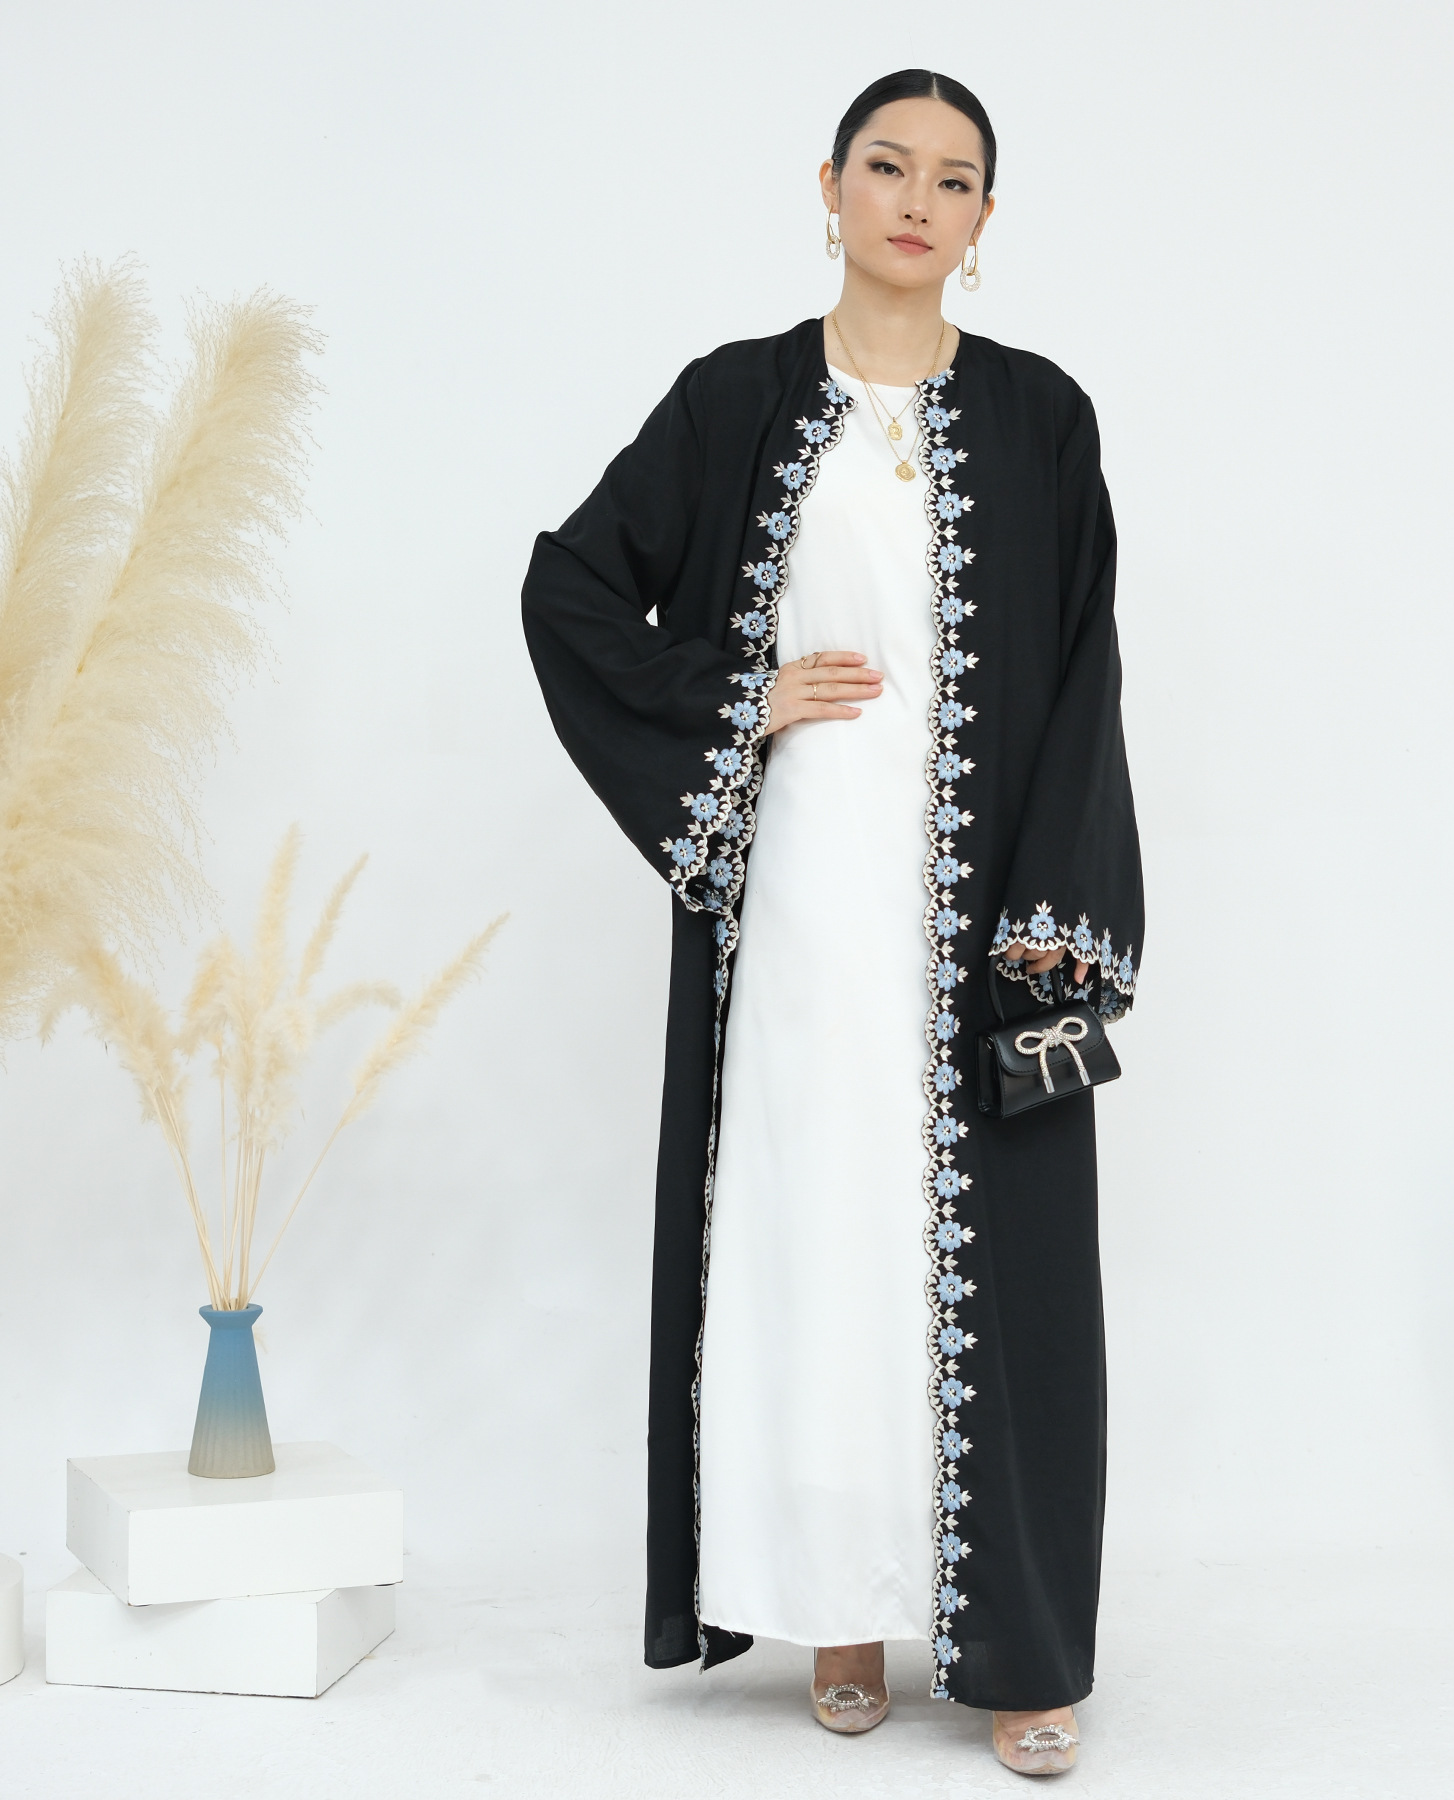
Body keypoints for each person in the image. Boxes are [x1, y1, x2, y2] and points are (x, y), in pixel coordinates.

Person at [521, 68, 1143, 1779]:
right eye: (887, 165)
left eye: (953, 178)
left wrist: (1052, 920)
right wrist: (743, 697)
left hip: (980, 909)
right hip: (803, 894)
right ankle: (841, 1609)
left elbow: (1084, 676)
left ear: (986, 219)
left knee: (1003, 1259)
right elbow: (573, 588)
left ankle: (1022, 1653)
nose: (916, 200)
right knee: (820, 1236)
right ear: (831, 186)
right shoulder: (733, 399)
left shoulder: (1041, 417)